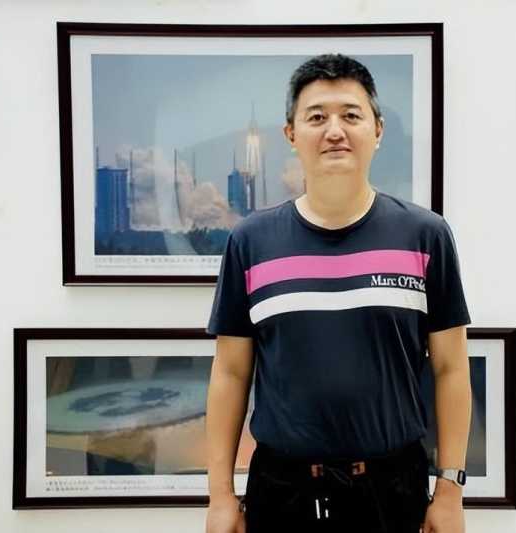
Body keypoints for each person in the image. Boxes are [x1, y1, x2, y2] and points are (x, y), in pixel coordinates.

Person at [204, 53, 471, 533]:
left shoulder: (425, 236)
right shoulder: (251, 242)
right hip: (282, 491)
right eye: (316, 118)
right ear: (291, 134)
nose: (334, 131)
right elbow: (230, 372)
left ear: (378, 130)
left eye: (351, 115)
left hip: (392, 489)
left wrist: (450, 490)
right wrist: (220, 495)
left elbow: (451, 368)